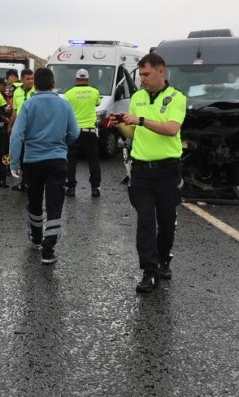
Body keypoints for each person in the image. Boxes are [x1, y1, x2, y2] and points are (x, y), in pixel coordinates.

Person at [109, 51, 187, 294]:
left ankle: (164, 260)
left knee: (166, 222)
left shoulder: (176, 98)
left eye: (146, 74)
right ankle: (149, 271)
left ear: (161, 71)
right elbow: (134, 133)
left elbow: (171, 129)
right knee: (145, 220)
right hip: (141, 170)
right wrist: (121, 125)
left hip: (168, 170)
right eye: (140, 74)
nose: (142, 79)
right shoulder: (138, 97)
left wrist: (140, 120)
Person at [8, 67, 79, 265]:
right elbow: (74, 133)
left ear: (35, 85)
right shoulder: (64, 105)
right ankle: (48, 250)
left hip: (33, 161)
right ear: (53, 84)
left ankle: (36, 236)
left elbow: (16, 135)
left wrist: (14, 162)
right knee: (55, 204)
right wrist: (62, 143)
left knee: (34, 200)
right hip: (57, 160)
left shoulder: (28, 105)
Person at [63, 68, 102, 197]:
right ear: (87, 79)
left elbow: (66, 108)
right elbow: (97, 103)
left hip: (74, 131)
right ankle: (95, 188)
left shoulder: (69, 93)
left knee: (71, 160)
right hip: (90, 131)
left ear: (76, 79)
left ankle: (71, 188)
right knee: (93, 160)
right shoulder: (94, 91)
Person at [8, 69, 36, 191]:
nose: (31, 81)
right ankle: (24, 181)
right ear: (22, 79)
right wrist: (10, 125)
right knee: (21, 154)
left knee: (31, 155)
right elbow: (15, 110)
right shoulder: (17, 91)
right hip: (20, 127)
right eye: (28, 79)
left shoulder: (36, 91)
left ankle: (31, 181)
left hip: (33, 127)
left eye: (32, 78)